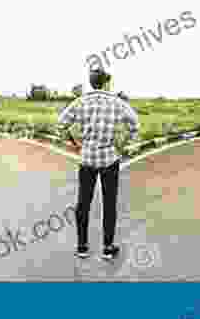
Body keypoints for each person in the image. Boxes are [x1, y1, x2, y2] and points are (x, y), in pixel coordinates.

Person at [57, 66, 139, 260]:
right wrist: (121, 144)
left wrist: (75, 143)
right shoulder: (116, 102)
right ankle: (108, 248)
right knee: (109, 203)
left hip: (87, 159)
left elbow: (61, 125)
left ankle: (82, 247)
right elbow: (135, 125)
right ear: (105, 82)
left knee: (83, 203)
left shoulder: (80, 102)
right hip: (110, 159)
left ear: (91, 82)